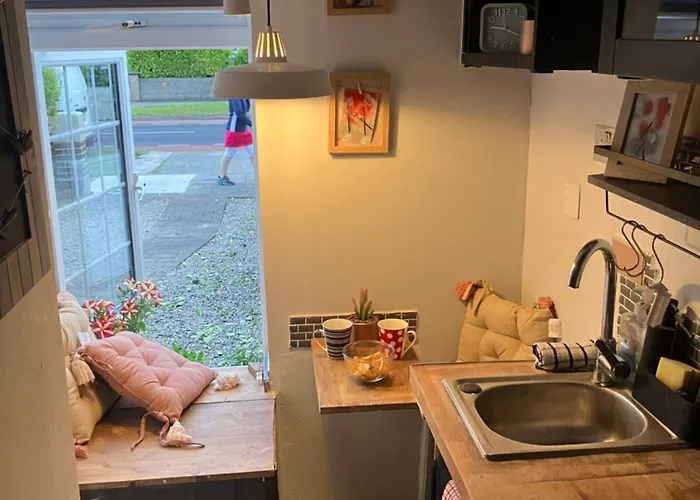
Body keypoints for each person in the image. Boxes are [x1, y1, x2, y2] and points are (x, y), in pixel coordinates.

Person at [218, 98, 254, 186]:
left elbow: (246, 109)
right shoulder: (234, 96)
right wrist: (252, 124)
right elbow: (239, 113)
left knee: (253, 152)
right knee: (230, 153)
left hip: (243, 129)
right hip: (234, 130)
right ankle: (222, 176)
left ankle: (260, 175)